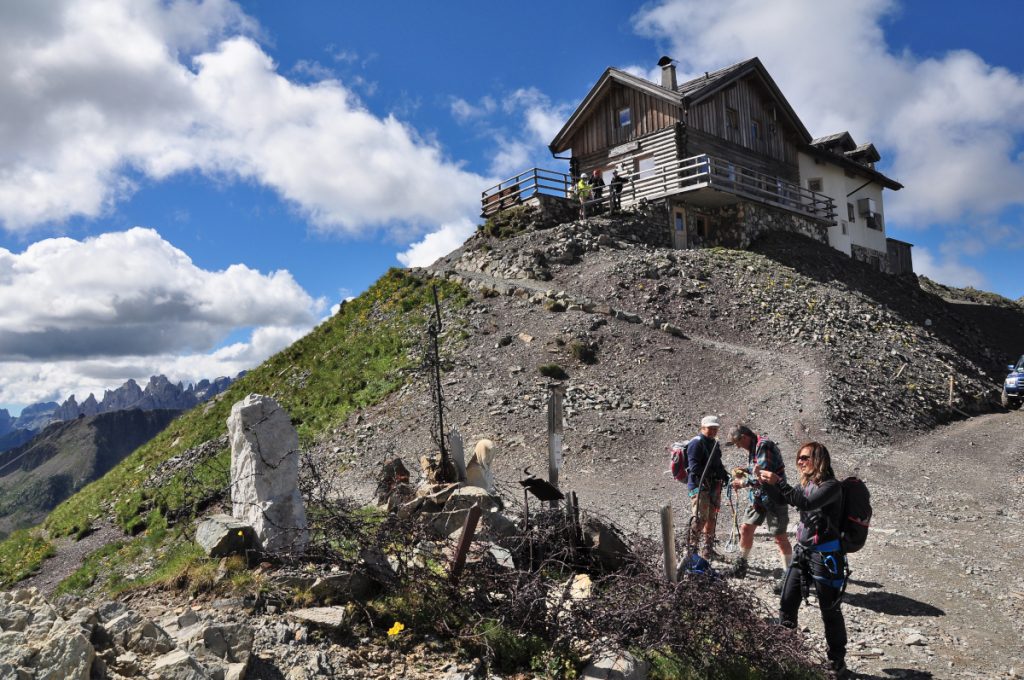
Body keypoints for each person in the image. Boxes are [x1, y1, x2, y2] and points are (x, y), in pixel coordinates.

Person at [758, 442, 848, 678]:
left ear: (818, 459)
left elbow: (806, 503)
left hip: (825, 555)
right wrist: (765, 485)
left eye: (805, 457)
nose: (800, 461)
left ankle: (837, 660)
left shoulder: (831, 486)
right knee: (787, 602)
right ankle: (787, 654)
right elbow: (786, 499)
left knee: (829, 610)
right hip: (803, 552)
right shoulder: (806, 484)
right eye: (798, 457)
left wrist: (778, 481)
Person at [726, 425, 792, 585]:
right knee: (746, 528)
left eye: (737, 442)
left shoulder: (763, 445)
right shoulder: (755, 447)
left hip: (774, 497)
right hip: (758, 497)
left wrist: (742, 482)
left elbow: (764, 475)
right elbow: (757, 470)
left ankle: (789, 576)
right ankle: (741, 565)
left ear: (744, 437)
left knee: (780, 536)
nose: (738, 446)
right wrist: (746, 470)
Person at [686, 415, 729, 560]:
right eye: (710, 429)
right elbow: (694, 467)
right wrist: (713, 473)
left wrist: (724, 474)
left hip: (713, 485)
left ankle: (707, 550)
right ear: (702, 428)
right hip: (700, 485)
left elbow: (718, 462)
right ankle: (691, 550)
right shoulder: (696, 443)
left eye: (715, 429)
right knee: (700, 518)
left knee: (712, 517)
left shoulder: (714, 443)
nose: (712, 431)